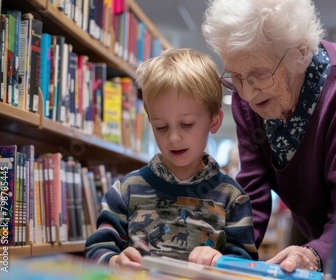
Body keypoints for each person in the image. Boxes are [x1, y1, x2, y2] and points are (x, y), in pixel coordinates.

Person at [202, 0, 336, 273]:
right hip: (308, 232)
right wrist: (227, 255)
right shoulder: (247, 97)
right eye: (235, 77)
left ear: (300, 53)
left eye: (259, 75)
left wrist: (315, 253)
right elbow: (253, 189)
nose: (247, 95)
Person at [84, 48, 258, 269]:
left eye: (186, 124)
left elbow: (247, 267)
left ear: (214, 122)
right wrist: (114, 261)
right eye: (161, 127)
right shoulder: (125, 191)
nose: (174, 138)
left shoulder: (233, 199)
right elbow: (96, 250)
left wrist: (221, 261)